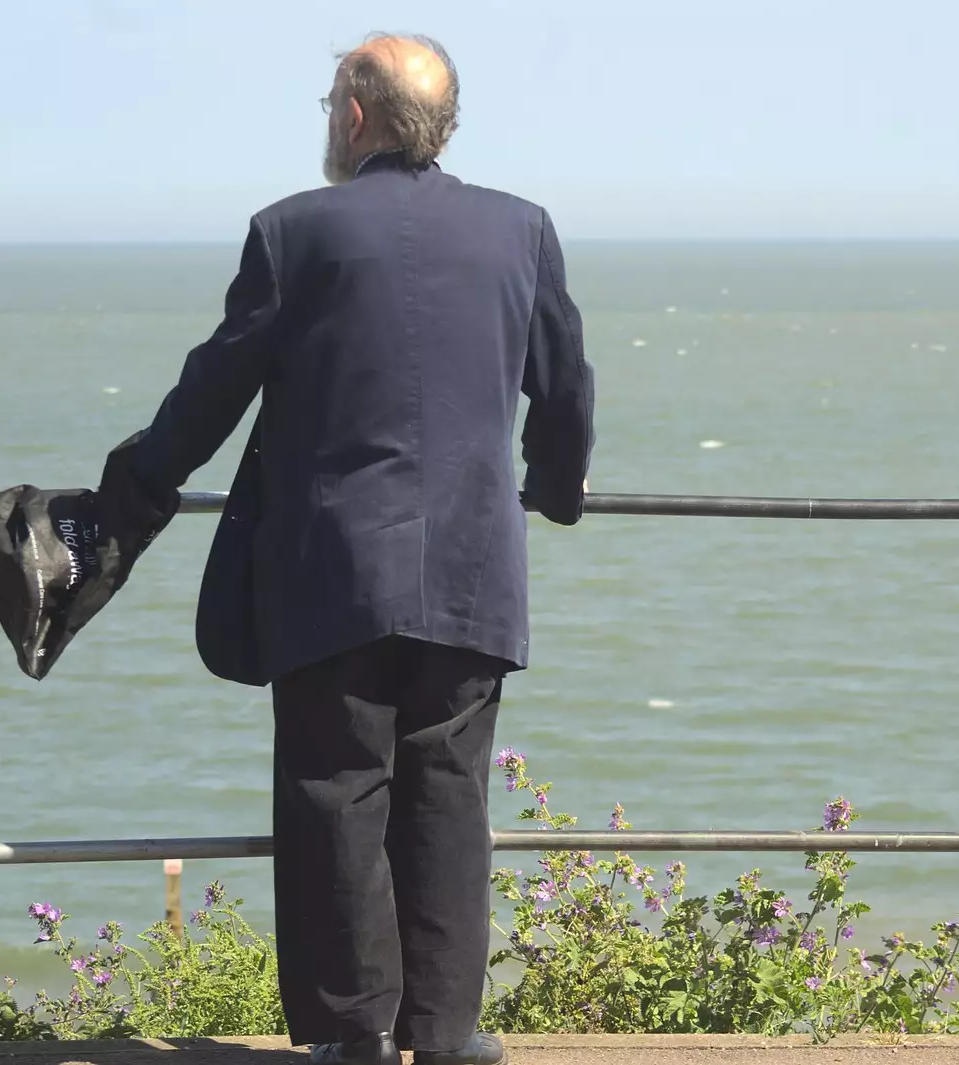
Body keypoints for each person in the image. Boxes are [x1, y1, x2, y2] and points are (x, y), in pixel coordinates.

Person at [99, 32, 595, 1065]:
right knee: (450, 799)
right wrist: (552, 489)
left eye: (332, 99)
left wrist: (134, 487)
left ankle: (348, 1038)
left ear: (357, 117)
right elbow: (565, 386)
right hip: (471, 565)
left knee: (335, 794)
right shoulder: (523, 230)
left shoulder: (293, 233)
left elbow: (213, 391)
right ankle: (445, 1036)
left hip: (332, 569)